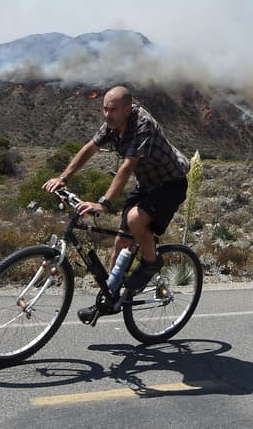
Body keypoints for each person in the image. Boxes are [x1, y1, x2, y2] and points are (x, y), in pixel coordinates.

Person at [42, 85, 191, 323]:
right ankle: (110, 298)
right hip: (148, 184)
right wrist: (63, 178)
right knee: (122, 241)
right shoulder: (113, 125)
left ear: (128, 109)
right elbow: (90, 148)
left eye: (113, 109)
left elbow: (128, 166)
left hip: (171, 183)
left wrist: (103, 202)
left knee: (134, 219)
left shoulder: (143, 124)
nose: (107, 114)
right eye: (104, 109)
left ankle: (151, 263)